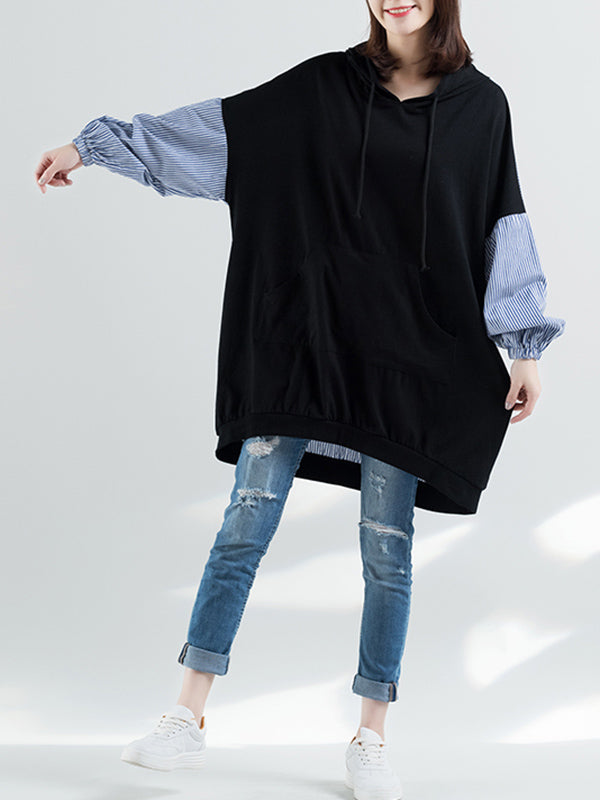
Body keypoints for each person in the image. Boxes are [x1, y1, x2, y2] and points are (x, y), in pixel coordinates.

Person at [34, 2, 566, 798]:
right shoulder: (322, 86)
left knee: (386, 549)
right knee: (244, 525)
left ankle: (369, 738)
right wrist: (93, 146)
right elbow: (222, 134)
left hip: (408, 361)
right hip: (303, 343)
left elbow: (502, 222)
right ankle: (185, 718)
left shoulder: (481, 107)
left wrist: (523, 347)